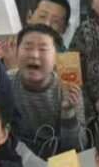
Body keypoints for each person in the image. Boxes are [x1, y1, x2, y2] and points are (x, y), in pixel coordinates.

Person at [10, 24, 86, 154]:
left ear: (56, 58)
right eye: (28, 48)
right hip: (17, 157)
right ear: (16, 52)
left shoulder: (68, 88)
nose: (34, 55)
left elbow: (77, 147)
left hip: (57, 160)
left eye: (43, 49)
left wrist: (68, 112)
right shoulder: (5, 83)